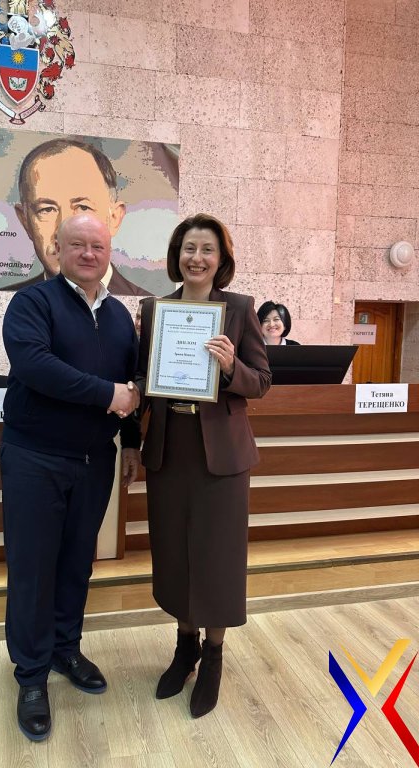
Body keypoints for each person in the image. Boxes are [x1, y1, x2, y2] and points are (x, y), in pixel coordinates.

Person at [0, 213, 141, 741]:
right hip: (34, 458)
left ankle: (65, 650)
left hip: (94, 461)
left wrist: (132, 442)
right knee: (33, 570)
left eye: (97, 246)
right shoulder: (32, 303)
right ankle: (31, 676)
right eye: (77, 244)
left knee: (77, 564)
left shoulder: (120, 316)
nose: (88, 253)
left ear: (109, 254)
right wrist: (106, 395)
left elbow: (133, 386)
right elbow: (34, 365)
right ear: (57, 249)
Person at [136, 213, 271, 718]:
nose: (197, 258)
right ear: (177, 256)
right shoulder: (155, 310)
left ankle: (213, 656)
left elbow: (262, 381)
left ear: (221, 259)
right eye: (188, 248)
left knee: (216, 558)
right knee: (175, 553)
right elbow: (142, 377)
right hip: (170, 449)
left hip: (222, 456)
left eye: (207, 249)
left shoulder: (239, 309)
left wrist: (232, 366)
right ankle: (184, 647)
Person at [1, 137, 151, 296]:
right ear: (25, 221)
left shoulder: (142, 305)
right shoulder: (18, 302)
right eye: (47, 209)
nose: (64, 231)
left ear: (114, 218)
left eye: (83, 207)